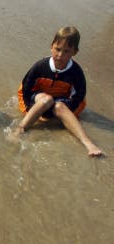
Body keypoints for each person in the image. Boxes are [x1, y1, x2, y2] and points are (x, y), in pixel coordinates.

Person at [15, 26, 103, 157]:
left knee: (59, 105)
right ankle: (20, 128)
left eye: (67, 51)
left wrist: (61, 114)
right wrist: (29, 109)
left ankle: (88, 143)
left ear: (75, 52)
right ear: (51, 46)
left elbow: (78, 98)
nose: (60, 55)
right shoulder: (40, 66)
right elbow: (25, 90)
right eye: (57, 49)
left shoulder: (76, 72)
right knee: (47, 99)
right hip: (38, 100)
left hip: (61, 103)